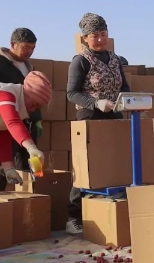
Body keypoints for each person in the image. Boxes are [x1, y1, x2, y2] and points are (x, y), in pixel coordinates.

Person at [65, 12, 131, 235]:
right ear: (85, 38)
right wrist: (95, 103)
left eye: (104, 34)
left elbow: (125, 87)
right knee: (87, 165)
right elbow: (72, 93)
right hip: (90, 118)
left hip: (114, 116)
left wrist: (128, 102)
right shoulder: (80, 61)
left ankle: (111, 212)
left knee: (114, 161)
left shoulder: (114, 59)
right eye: (95, 35)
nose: (100, 39)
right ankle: (73, 216)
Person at [0, 28, 43, 190]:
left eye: (32, 48)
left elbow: (2, 129)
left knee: (26, 164)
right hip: (10, 116)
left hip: (22, 121)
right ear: (13, 44)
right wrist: (31, 147)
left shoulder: (29, 67)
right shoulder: (2, 68)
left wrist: (37, 118)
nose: (29, 52)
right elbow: (10, 121)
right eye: (26, 47)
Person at [0, 71, 51, 185]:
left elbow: (3, 134)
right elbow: (12, 122)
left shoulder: (16, 105)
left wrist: (8, 168)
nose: (33, 109)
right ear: (26, 93)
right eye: (34, 104)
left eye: (38, 107)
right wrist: (31, 148)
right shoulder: (6, 94)